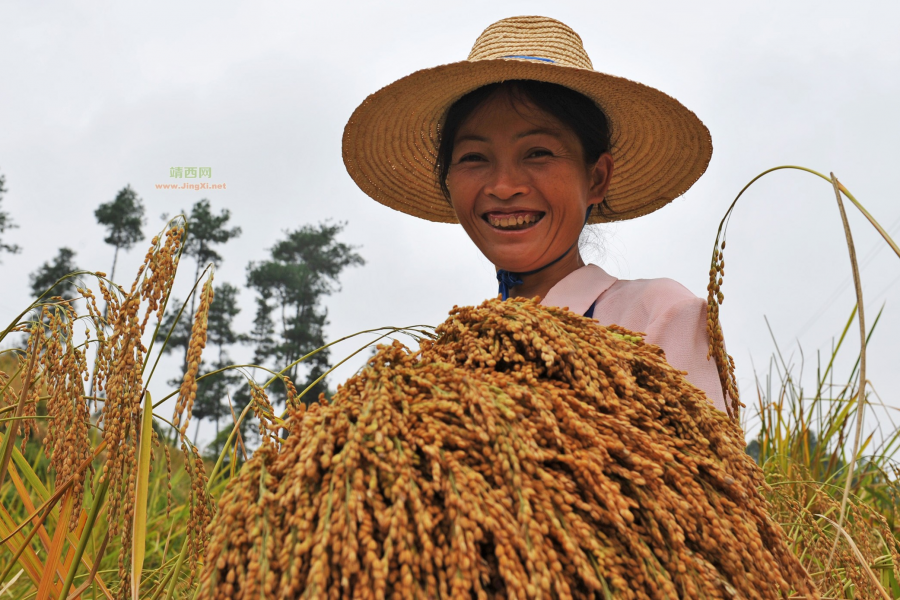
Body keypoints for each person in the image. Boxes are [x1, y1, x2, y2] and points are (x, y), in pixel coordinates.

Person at [343, 16, 731, 413]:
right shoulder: (446, 365)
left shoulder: (659, 316)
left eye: (538, 153)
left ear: (596, 177)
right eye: (474, 157)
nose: (504, 185)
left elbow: (712, 473)